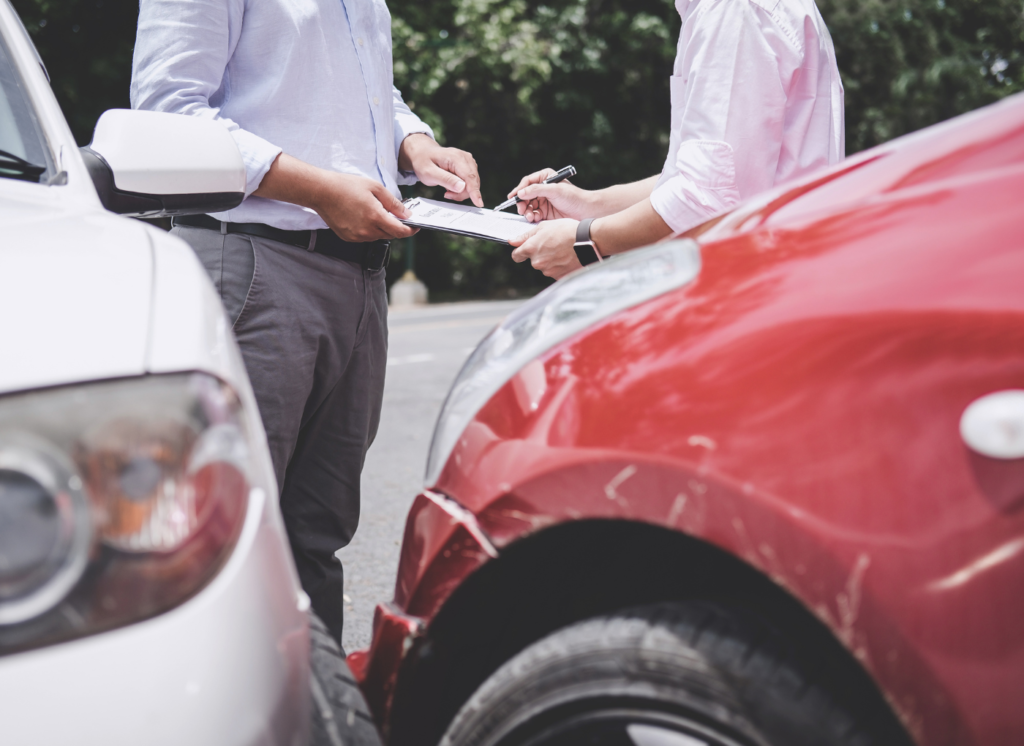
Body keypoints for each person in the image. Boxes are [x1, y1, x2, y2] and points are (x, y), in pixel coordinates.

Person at [131, 0, 482, 645]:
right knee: (228, 537)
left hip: (358, 277)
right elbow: (167, 113)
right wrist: (319, 190)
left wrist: (416, 143)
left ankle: (310, 716)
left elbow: (366, 94)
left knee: (315, 536)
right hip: (254, 265)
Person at [508, 0, 844, 279]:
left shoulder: (729, 9)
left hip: (760, 287)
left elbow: (704, 196)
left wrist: (586, 240)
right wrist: (587, 204)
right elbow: (707, 180)